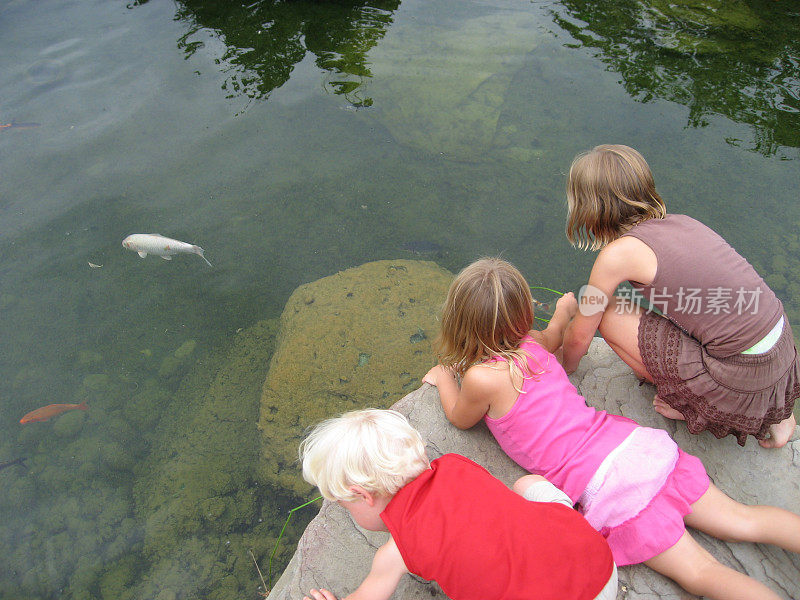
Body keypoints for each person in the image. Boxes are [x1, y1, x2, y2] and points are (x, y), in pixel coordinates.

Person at [424, 257, 800, 600]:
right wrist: (563, 311)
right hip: (635, 447)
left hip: (609, 486)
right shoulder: (533, 344)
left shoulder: (479, 379)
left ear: (459, 321)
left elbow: (459, 418)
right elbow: (552, 337)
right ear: (522, 314)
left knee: (703, 572)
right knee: (744, 521)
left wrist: (443, 379)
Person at [560, 144, 798, 448]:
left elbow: (581, 336)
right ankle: (777, 415)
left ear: (588, 208)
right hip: (780, 351)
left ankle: (691, 405)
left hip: (739, 376)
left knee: (604, 311)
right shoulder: (685, 222)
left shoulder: (616, 256)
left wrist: (563, 368)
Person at [299, 408, 618, 600]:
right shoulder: (455, 464)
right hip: (600, 566)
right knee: (526, 484)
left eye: (346, 505)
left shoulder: (399, 548)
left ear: (365, 496)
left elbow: (372, 593)